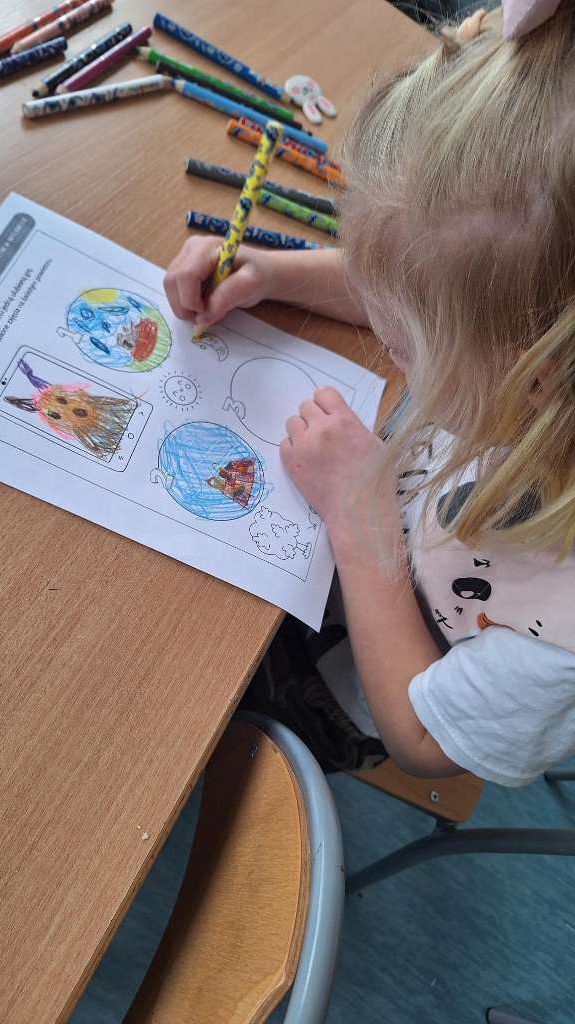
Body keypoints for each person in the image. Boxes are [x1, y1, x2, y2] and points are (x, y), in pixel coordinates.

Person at [163, 0, 575, 786]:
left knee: (178, 684)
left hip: (343, 685)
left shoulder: (557, 632)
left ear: (533, 378)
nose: (387, 339)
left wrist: (361, 522)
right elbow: (426, 294)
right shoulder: (520, 340)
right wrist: (273, 272)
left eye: (403, 346)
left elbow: (423, 743)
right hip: (342, 540)